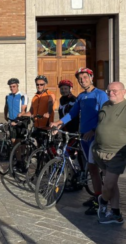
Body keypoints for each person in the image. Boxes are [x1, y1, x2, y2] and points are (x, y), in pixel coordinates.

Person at [50, 67, 108, 215]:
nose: (83, 80)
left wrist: (94, 130)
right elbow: (72, 113)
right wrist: (59, 123)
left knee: (98, 170)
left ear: (91, 77)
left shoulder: (100, 95)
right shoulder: (81, 97)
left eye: (85, 77)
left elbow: (105, 116)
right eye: (80, 79)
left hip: (96, 137)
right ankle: (97, 195)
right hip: (84, 137)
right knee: (92, 169)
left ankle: (102, 201)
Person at [93, 82, 126, 224]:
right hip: (100, 151)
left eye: (114, 91)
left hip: (117, 154)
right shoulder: (105, 105)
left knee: (108, 185)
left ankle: (102, 200)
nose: (111, 93)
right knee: (112, 184)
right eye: (108, 91)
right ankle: (116, 213)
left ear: (124, 91)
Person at [4, 78, 29, 163]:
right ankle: (18, 160)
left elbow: (23, 109)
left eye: (14, 86)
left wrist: (20, 116)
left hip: (21, 120)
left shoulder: (23, 96)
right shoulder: (8, 96)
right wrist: (5, 115)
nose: (12, 88)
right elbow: (6, 106)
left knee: (22, 141)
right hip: (11, 120)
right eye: (10, 87)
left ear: (17, 86)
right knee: (14, 140)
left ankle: (23, 157)